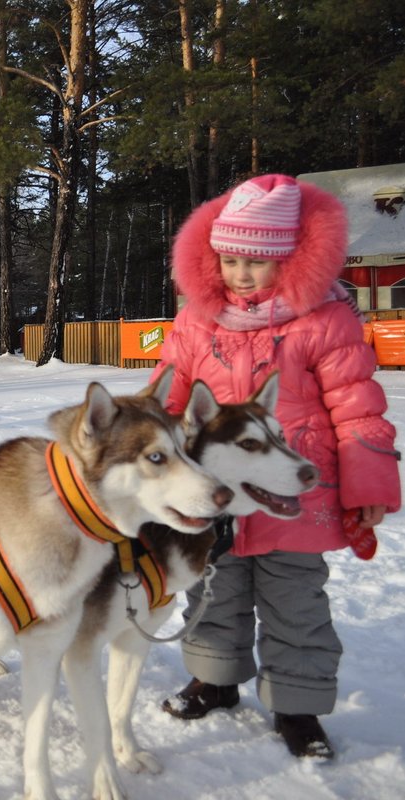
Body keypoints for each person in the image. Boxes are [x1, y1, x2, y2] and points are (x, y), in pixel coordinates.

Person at [153, 174, 400, 760]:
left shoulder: (325, 320)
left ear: (290, 260)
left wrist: (369, 483)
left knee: (297, 603)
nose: (241, 273)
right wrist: (152, 465)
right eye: (231, 259)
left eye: (258, 262)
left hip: (296, 494)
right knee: (213, 590)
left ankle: (298, 705)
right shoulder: (196, 321)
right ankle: (214, 679)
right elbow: (167, 396)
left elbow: (358, 407)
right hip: (213, 493)